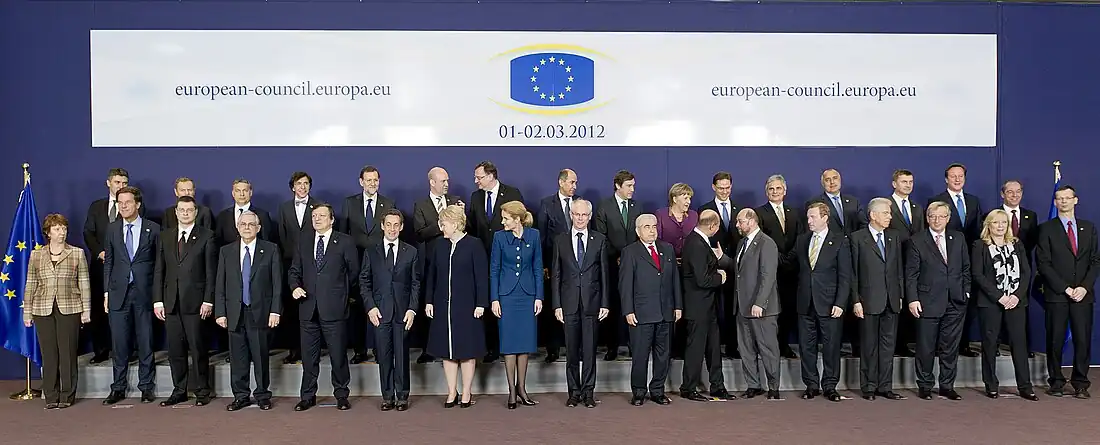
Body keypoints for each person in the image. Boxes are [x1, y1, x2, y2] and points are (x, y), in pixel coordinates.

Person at [288, 203, 359, 412]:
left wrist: (341, 294)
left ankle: (341, 395)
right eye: (314, 216)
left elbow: (353, 272)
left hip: (334, 308)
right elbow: (294, 270)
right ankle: (307, 396)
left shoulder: (344, 241)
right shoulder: (303, 240)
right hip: (308, 308)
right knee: (309, 358)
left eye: (321, 215)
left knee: (338, 356)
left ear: (332, 219)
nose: (317, 219)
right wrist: (295, 287)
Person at [1036, 184, 1100, 399]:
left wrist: (1084, 287)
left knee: (1082, 340)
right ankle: (1056, 382)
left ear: (1075, 200)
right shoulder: (1046, 229)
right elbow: (1043, 263)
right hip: (1057, 295)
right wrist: (1065, 288)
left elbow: (1095, 261)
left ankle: (1080, 383)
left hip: (1083, 295)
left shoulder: (1088, 228)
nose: (1063, 201)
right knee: (1055, 339)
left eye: (1067, 197)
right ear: (1055, 202)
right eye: (1059, 198)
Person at [215, 210, 282, 411]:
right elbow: (220, 284)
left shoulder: (270, 249)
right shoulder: (226, 251)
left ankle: (262, 395)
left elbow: (277, 283)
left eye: (251, 224)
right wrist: (220, 312)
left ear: (258, 228)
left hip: (260, 312)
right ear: (237, 227)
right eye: (243, 224)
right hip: (234, 312)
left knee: (260, 356)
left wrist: (275, 311)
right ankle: (241, 396)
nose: (247, 227)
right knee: (238, 358)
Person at [153, 196, 217, 406]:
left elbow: (211, 272)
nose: (185, 213)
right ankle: (179, 390)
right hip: (171, 303)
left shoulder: (207, 236)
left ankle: (202, 391)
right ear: (176, 212)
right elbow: (159, 270)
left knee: (198, 349)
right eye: (182, 210)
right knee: (175, 351)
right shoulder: (165, 236)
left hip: (196, 304)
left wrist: (208, 300)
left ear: (195, 212)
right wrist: (158, 301)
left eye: (189, 210)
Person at [23, 213, 91, 409]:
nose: (62, 233)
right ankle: (51, 396)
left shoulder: (77, 253)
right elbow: (30, 284)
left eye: (64, 229)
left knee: (67, 353)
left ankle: (67, 395)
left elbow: (84, 284)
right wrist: (27, 312)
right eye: (57, 229)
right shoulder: (36, 255)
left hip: (70, 308)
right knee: (49, 354)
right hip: (42, 309)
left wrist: (86, 310)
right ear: (48, 232)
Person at [905, 201, 970, 401]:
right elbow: (911, 274)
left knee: (950, 347)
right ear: (927, 218)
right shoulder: (917, 240)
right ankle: (925, 385)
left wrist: (966, 292)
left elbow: (966, 268)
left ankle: (947, 386)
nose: (937, 220)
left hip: (956, 301)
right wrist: (913, 299)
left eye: (942, 216)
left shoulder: (958, 238)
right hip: (927, 301)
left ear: (948, 218)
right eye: (933, 216)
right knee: (926, 347)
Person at [102, 186, 160, 405]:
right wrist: (106, 292)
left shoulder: (153, 229)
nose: (124, 206)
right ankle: (118, 387)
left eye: (128, 202)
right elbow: (109, 262)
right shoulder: (112, 229)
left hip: (144, 292)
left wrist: (158, 296)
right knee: (119, 344)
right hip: (118, 293)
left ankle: (146, 387)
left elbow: (159, 264)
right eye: (120, 203)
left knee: (146, 341)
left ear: (137, 204)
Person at [425, 205, 488, 408]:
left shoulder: (474, 244)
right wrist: (429, 301)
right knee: (447, 350)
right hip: (443, 306)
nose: (441, 227)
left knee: (467, 350)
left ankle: (466, 392)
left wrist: (481, 303)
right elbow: (431, 276)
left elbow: (481, 277)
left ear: (455, 223)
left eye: (443, 224)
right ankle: (452, 391)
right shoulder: (439, 245)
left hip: (468, 306)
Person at [971, 210, 1037, 400]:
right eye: (995, 222)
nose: (1000, 226)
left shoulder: (1016, 244)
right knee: (990, 344)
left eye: (1003, 222)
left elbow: (1026, 272)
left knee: (1019, 344)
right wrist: (1000, 297)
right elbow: (978, 275)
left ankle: (1025, 386)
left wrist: (1016, 296)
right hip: (990, 302)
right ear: (988, 225)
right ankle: (991, 385)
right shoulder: (979, 245)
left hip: (1016, 302)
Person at [550, 198, 610, 408]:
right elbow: (556, 275)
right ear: (571, 215)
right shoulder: (560, 240)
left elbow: (604, 274)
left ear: (590, 216)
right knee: (572, 351)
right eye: (577, 214)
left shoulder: (599, 239)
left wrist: (605, 303)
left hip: (592, 303)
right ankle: (574, 392)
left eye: (584, 215)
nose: (580, 218)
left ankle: (588, 393)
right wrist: (556, 305)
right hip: (568, 303)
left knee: (590, 351)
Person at [361, 209, 421, 411]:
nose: (392, 229)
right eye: (388, 224)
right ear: (382, 226)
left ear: (401, 227)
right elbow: (364, 282)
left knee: (401, 356)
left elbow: (416, 283)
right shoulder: (371, 251)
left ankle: (402, 396)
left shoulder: (411, 251)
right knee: (384, 356)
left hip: (403, 312)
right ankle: (387, 396)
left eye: (396, 225)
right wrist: (370, 307)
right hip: (379, 312)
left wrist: (412, 309)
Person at [619, 213, 682, 406]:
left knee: (663, 355)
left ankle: (657, 391)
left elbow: (675, 280)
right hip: (641, 314)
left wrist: (678, 306)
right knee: (640, 356)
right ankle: (639, 392)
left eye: (654, 226)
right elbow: (625, 284)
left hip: (665, 312)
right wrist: (628, 310)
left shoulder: (667, 249)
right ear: (638, 231)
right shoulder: (630, 252)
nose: (652, 230)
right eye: (647, 227)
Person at [83, 168, 143, 364]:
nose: (121, 186)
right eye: (117, 182)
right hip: (101, 266)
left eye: (124, 183)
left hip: (126, 268)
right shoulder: (96, 207)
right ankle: (101, 349)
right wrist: (100, 252)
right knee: (100, 309)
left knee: (128, 309)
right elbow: (88, 233)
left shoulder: (134, 206)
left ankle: (129, 350)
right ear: (108, 183)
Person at [850, 198, 906, 400]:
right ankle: (868, 387)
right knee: (869, 347)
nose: (890, 216)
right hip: (868, 300)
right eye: (886, 213)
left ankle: (885, 386)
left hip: (891, 300)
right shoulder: (857, 238)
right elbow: (852, 272)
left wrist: (900, 294)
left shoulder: (894, 236)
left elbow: (898, 269)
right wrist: (855, 300)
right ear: (873, 215)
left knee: (888, 346)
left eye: (889, 213)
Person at [468, 160, 524, 364]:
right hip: (484, 257)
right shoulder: (475, 197)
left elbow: (521, 224)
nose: (476, 181)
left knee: (506, 301)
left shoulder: (512, 193)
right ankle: (491, 347)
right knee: (489, 300)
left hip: (508, 257)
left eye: (479, 177)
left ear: (491, 176)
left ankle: (507, 345)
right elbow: (473, 228)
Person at [794, 202, 851, 402]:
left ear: (825, 217)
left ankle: (830, 386)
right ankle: (811, 385)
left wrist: (840, 303)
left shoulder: (839, 241)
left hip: (829, 303)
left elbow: (845, 276)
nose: (809, 221)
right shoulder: (802, 240)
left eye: (813, 217)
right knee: (806, 347)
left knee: (831, 346)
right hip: (805, 302)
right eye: (808, 217)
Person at [490, 201, 544, 409]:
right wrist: (494, 299)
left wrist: (539, 297)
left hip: (528, 295)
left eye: (506, 218)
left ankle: (522, 388)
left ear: (518, 219)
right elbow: (494, 269)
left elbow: (538, 267)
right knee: (509, 344)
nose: (502, 222)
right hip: (507, 296)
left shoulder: (534, 235)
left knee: (525, 344)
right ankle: (511, 391)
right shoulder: (499, 237)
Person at [341, 165, 397, 364]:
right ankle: (360, 351)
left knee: (381, 308)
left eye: (375, 180)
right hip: (355, 263)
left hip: (380, 263)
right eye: (369, 180)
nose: (372, 183)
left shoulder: (388, 203)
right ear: (361, 182)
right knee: (357, 309)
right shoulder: (349, 203)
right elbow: (343, 235)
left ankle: (381, 351)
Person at [678, 209, 735, 402]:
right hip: (698, 306)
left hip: (708, 305)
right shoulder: (696, 244)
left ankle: (717, 386)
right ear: (712, 226)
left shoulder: (699, 241)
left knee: (713, 348)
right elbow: (702, 279)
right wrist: (720, 277)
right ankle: (688, 388)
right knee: (696, 348)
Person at [733, 208, 783, 400]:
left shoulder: (766, 243)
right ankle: (753, 385)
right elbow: (741, 271)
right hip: (742, 306)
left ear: (752, 221)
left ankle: (773, 387)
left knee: (768, 348)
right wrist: (722, 258)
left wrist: (760, 303)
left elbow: (768, 276)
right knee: (746, 348)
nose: (737, 225)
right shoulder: (742, 243)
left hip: (762, 309)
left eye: (740, 221)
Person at [593, 170, 643, 361]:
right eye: (629, 186)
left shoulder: (637, 207)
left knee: (634, 304)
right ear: (617, 186)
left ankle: (633, 345)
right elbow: (601, 237)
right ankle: (612, 347)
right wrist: (618, 256)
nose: (632, 189)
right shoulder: (604, 207)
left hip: (635, 265)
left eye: (633, 185)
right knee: (612, 306)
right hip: (612, 266)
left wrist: (629, 256)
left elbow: (640, 235)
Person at [275, 171, 318, 365]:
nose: (302, 187)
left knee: (312, 308)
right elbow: (282, 236)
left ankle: (312, 350)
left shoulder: (319, 206)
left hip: (312, 264)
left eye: (306, 183)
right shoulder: (284, 208)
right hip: (290, 264)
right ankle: (294, 350)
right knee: (292, 310)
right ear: (293, 187)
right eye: (299, 183)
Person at [537, 168, 579, 363]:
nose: (574, 186)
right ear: (561, 182)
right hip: (554, 264)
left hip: (577, 265)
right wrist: (544, 264)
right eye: (571, 182)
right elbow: (542, 236)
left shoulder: (580, 204)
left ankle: (575, 348)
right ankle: (552, 349)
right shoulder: (547, 204)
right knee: (553, 306)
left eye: (575, 183)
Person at [655, 183, 698, 257]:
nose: (689, 202)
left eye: (689, 198)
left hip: (689, 258)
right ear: (675, 199)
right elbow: (657, 239)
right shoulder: (661, 214)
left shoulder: (694, 215)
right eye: (685, 198)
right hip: (667, 258)